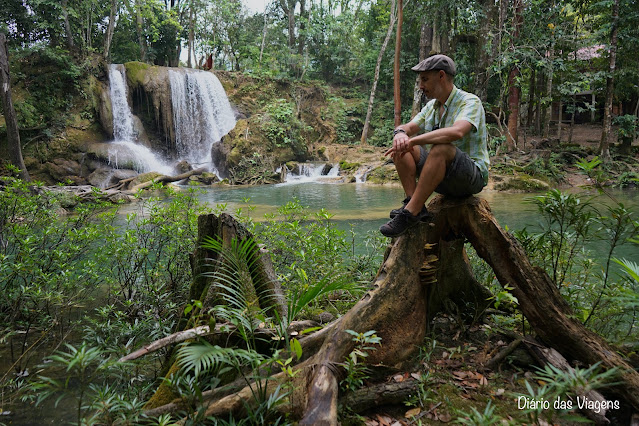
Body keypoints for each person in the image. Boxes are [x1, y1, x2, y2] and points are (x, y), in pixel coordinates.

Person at [379, 54, 489, 237]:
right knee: (401, 145)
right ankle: (414, 204)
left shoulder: (470, 102)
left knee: (440, 148)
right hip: (441, 176)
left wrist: (413, 140)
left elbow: (457, 132)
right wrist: (400, 134)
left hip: (470, 178)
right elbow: (407, 127)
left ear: (441, 76)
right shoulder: (432, 107)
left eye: (424, 79)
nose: (421, 86)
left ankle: (409, 214)